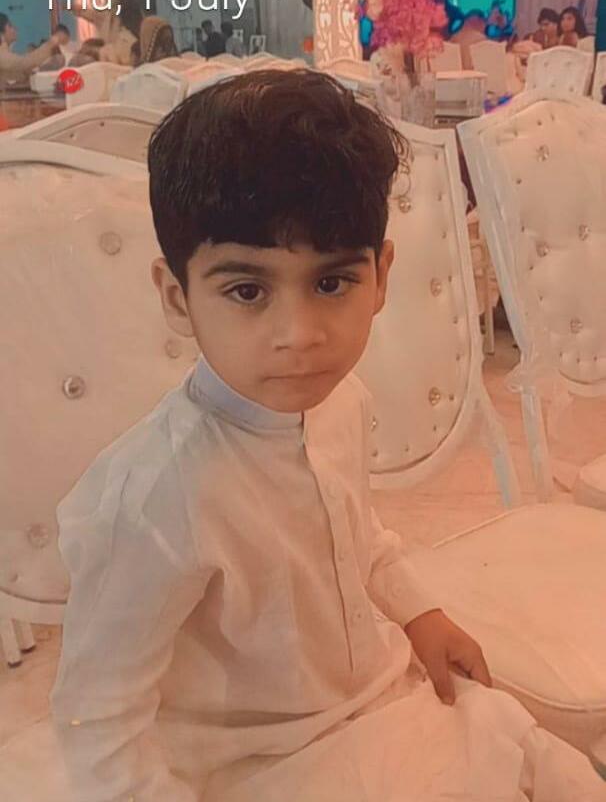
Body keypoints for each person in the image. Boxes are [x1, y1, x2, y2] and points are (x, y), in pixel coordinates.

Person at [49, 70, 606, 802]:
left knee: (551, 767)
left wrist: (421, 611)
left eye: (332, 283)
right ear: (177, 297)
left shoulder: (341, 404)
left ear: (380, 276)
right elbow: (99, 718)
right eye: (248, 290)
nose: (301, 334)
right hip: (263, 762)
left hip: (380, 697)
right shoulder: (151, 498)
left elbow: (358, 534)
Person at [70, 0, 142, 65]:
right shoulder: (107, 17)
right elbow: (92, 15)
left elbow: (120, 57)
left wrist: (95, 52)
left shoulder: (130, 36)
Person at [0, 13, 67, 88]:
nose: (15, 28)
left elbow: (20, 71)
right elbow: (25, 63)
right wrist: (51, 43)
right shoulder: (2, 56)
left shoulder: (6, 54)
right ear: (1, 34)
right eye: (10, 26)